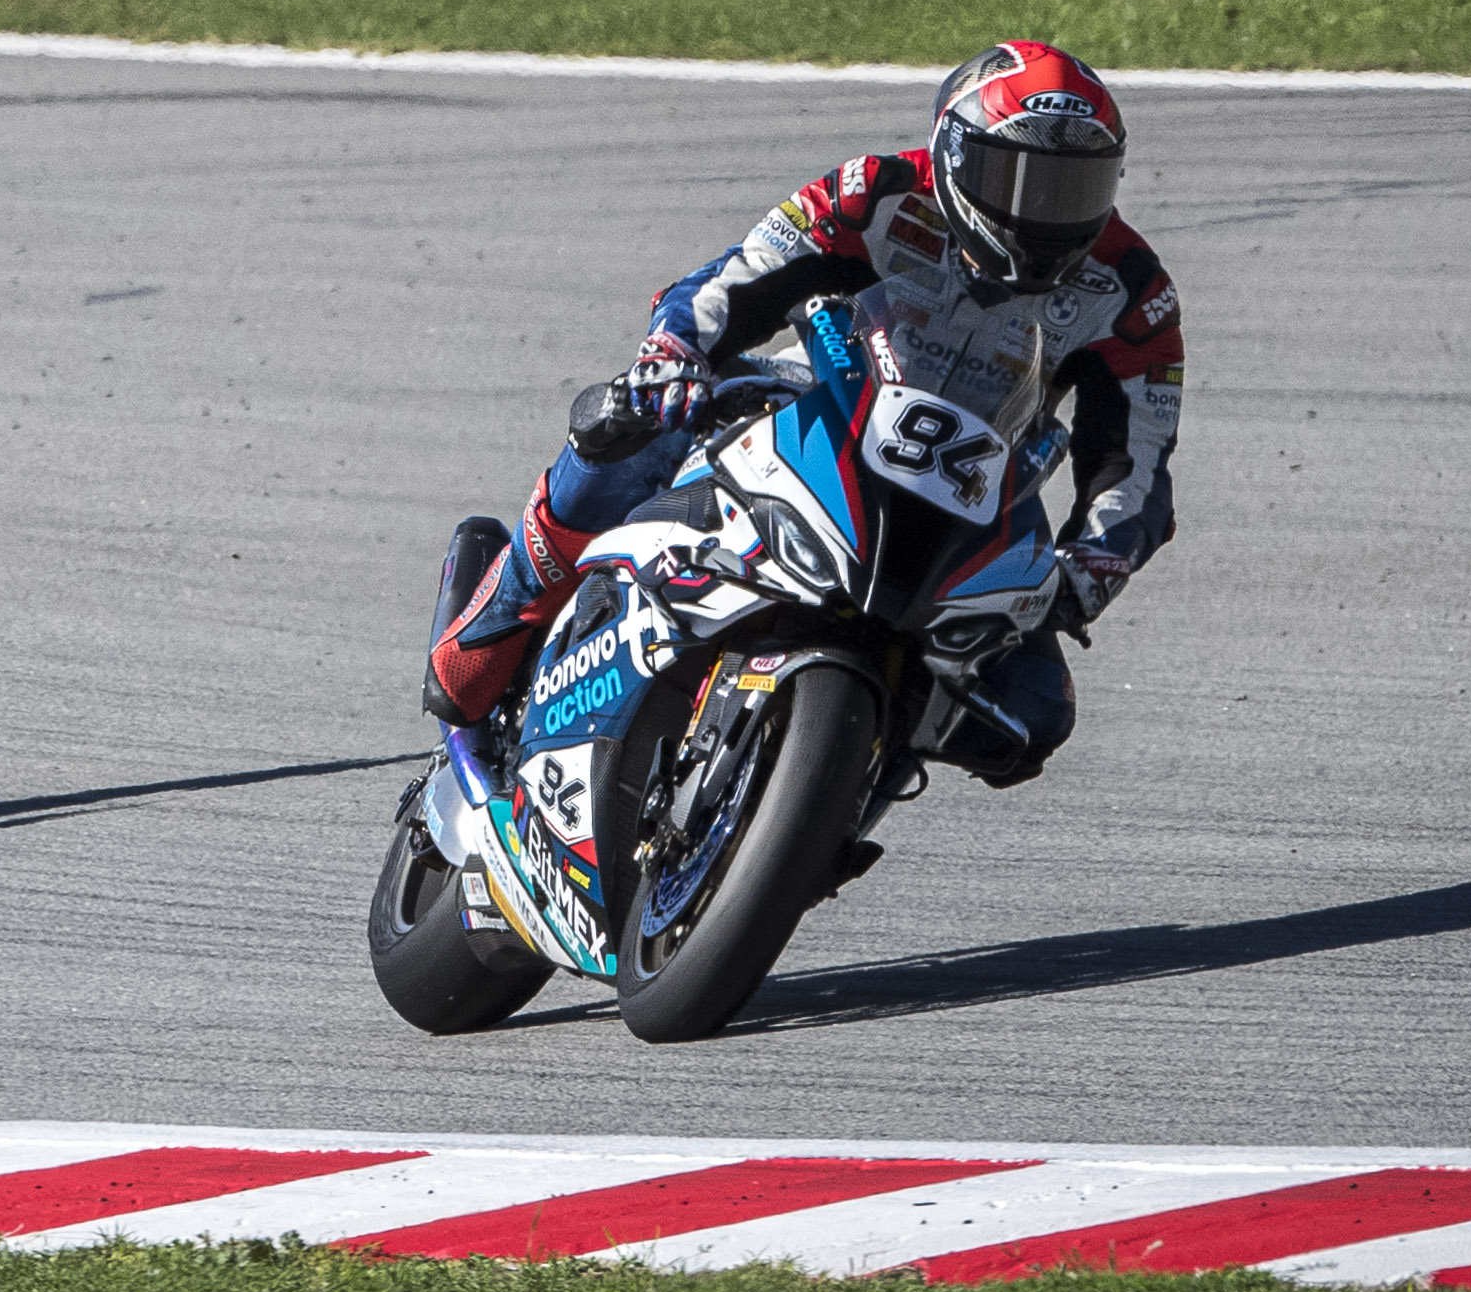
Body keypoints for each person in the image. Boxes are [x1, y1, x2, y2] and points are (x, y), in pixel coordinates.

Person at [426, 40, 1183, 790]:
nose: (1042, 215)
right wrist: (674, 354)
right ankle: (496, 626)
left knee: (1031, 713)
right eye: (1017, 181)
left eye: (1071, 190)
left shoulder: (1132, 292)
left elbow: (1136, 465)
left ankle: (835, 802)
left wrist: (1092, 565)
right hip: (813, 405)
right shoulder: (877, 193)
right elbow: (741, 275)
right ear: (954, 157)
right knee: (628, 434)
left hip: (972, 490)